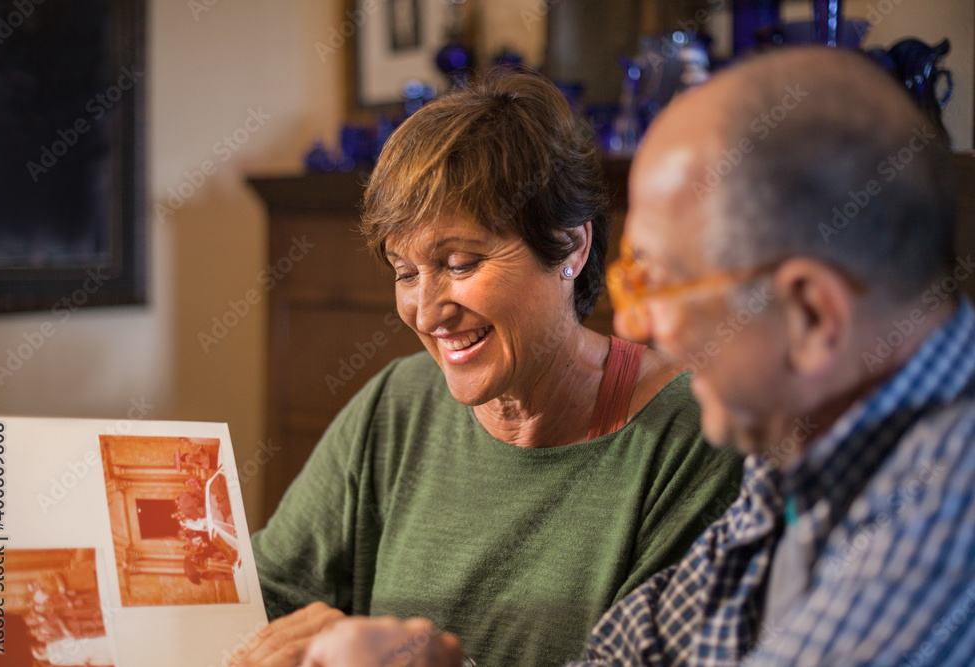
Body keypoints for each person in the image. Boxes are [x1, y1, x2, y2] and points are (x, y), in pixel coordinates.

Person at [300, 46, 975, 666]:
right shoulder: (795, 467)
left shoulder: (946, 516)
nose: (633, 321)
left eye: (663, 282)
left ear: (812, 315)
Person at [234, 69, 743, 667]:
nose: (427, 313)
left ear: (572, 248)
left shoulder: (694, 438)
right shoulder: (396, 404)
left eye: (460, 263)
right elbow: (262, 597)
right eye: (405, 272)